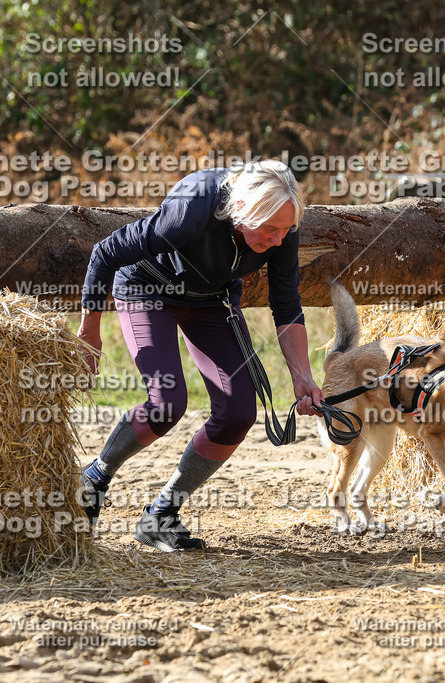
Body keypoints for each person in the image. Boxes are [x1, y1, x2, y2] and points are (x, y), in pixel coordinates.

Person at [76, 159, 324, 552]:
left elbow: (286, 303)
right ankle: (94, 477)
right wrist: (91, 332)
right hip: (148, 289)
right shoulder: (194, 206)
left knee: (239, 413)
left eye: (285, 230)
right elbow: (106, 253)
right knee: (166, 403)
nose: (279, 240)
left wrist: (302, 377)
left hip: (212, 301)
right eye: (270, 229)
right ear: (242, 211)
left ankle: (161, 515)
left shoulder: (282, 228)